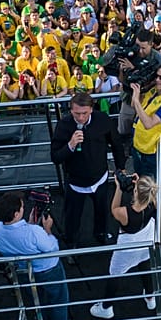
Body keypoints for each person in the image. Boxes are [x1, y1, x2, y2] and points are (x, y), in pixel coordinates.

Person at [50, 90, 127, 246]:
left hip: (99, 177)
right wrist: (70, 145)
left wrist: (121, 168)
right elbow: (55, 157)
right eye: (76, 113)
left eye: (84, 113)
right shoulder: (64, 125)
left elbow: (117, 144)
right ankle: (72, 244)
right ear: (71, 110)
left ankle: (101, 234)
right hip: (75, 181)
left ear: (91, 109)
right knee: (72, 216)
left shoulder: (102, 120)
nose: (81, 117)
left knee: (101, 211)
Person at [0, 190, 69, 320]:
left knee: (36, 299)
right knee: (58, 301)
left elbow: (20, 238)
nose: (23, 208)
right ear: (16, 214)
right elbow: (52, 248)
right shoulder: (34, 232)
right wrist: (48, 230)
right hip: (48, 270)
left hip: (22, 271)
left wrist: (30, 223)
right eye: (21, 207)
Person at [88, 174, 160, 320]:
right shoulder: (153, 201)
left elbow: (113, 208)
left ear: (135, 192)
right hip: (147, 239)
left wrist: (119, 188)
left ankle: (106, 307)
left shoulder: (124, 213)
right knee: (145, 265)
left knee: (115, 273)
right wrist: (140, 184)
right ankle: (150, 298)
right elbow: (145, 194)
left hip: (127, 248)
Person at [129, 65, 161, 179]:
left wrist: (136, 100)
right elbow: (134, 106)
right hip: (137, 142)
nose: (157, 80)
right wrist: (136, 93)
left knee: (147, 185)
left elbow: (148, 124)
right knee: (137, 178)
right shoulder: (155, 90)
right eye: (156, 76)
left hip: (148, 150)